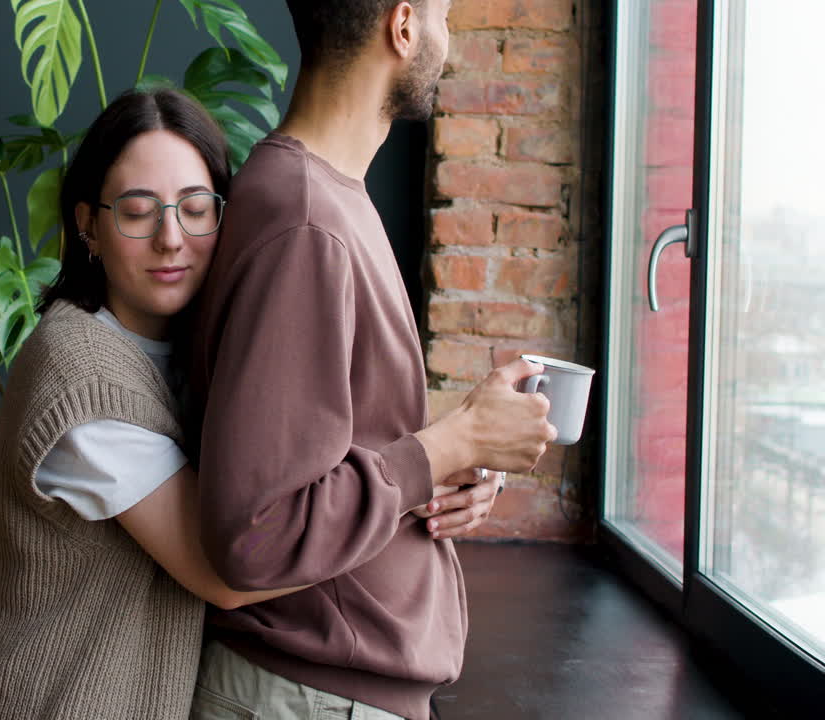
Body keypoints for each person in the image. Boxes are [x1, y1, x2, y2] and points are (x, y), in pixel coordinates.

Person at [186, 2, 558, 719]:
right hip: (303, 698)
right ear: (405, 25)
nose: (449, 42)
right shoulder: (304, 218)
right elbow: (256, 531)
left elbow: (326, 456)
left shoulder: (330, 197)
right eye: (445, 15)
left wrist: (441, 469)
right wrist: (452, 441)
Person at [0, 88, 305, 720]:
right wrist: (414, 487)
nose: (172, 239)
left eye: (196, 209)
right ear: (87, 223)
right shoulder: (78, 376)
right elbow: (224, 574)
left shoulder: (203, 357)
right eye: (139, 212)